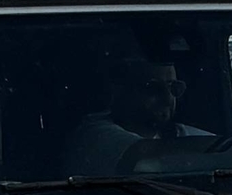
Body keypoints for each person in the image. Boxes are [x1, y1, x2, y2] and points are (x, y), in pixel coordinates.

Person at [60, 58, 211, 175]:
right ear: (121, 91)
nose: (167, 98)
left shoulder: (176, 132)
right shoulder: (94, 134)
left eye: (173, 88)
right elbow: (146, 157)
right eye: (152, 88)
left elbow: (216, 145)